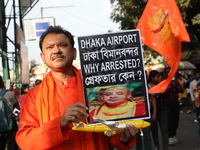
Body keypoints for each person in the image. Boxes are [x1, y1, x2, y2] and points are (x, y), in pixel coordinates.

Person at [16, 25, 138, 150]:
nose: (57, 50)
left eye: (63, 45)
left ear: (74, 53)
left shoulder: (95, 88)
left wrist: (123, 138)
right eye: (50, 47)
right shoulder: (34, 96)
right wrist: (60, 123)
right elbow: (25, 140)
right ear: (42, 57)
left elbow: (112, 133)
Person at [149, 70, 169, 150]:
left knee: (164, 128)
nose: (159, 78)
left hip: (162, 109)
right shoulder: (147, 86)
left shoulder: (161, 85)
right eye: (157, 77)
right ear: (152, 78)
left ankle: (165, 147)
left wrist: (162, 93)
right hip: (151, 110)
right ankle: (157, 145)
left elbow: (167, 95)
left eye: (159, 76)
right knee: (154, 129)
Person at [163, 67, 184, 146]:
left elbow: (181, 90)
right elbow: (160, 92)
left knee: (175, 120)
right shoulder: (163, 81)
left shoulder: (175, 81)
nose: (169, 73)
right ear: (165, 73)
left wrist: (176, 86)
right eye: (167, 72)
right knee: (169, 120)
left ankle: (174, 134)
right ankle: (170, 137)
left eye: (170, 72)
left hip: (175, 104)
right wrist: (168, 88)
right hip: (167, 104)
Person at [0, 75, 19, 150]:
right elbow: (17, 110)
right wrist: (12, 117)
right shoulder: (10, 94)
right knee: (12, 145)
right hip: (11, 124)